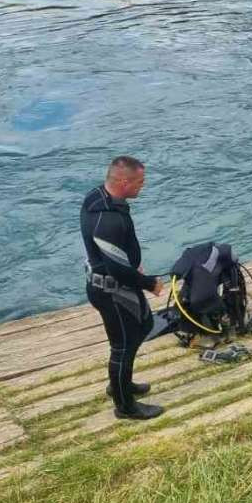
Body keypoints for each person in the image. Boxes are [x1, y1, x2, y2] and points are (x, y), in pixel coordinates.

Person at [81, 156, 166, 420]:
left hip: (116, 285)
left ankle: (122, 383)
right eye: (140, 181)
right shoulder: (107, 220)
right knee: (123, 345)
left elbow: (116, 258)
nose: (143, 185)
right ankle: (125, 406)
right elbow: (117, 269)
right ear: (124, 181)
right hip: (111, 291)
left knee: (142, 326)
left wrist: (130, 265)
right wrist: (150, 283)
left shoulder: (97, 196)